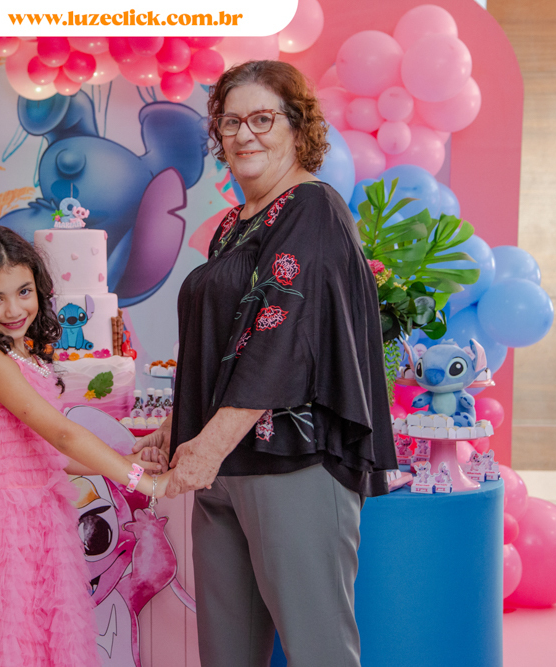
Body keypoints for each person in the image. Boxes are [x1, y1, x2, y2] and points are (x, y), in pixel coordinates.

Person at [134, 60, 395, 666]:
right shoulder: (231, 226)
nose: (244, 135)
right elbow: (228, 338)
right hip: (222, 466)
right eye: (230, 122)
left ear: (298, 128)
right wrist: (180, 424)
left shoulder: (313, 207)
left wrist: (207, 443)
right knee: (225, 655)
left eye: (261, 119)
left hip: (291, 462)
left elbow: (284, 334)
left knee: (318, 653)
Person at [0, 225, 170, 667]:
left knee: (39, 641)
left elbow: (48, 456)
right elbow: (62, 434)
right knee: (5, 642)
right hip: (4, 521)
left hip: (39, 515)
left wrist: (125, 458)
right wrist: (143, 481)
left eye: (23, 292)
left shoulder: (22, 355)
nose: (14, 309)